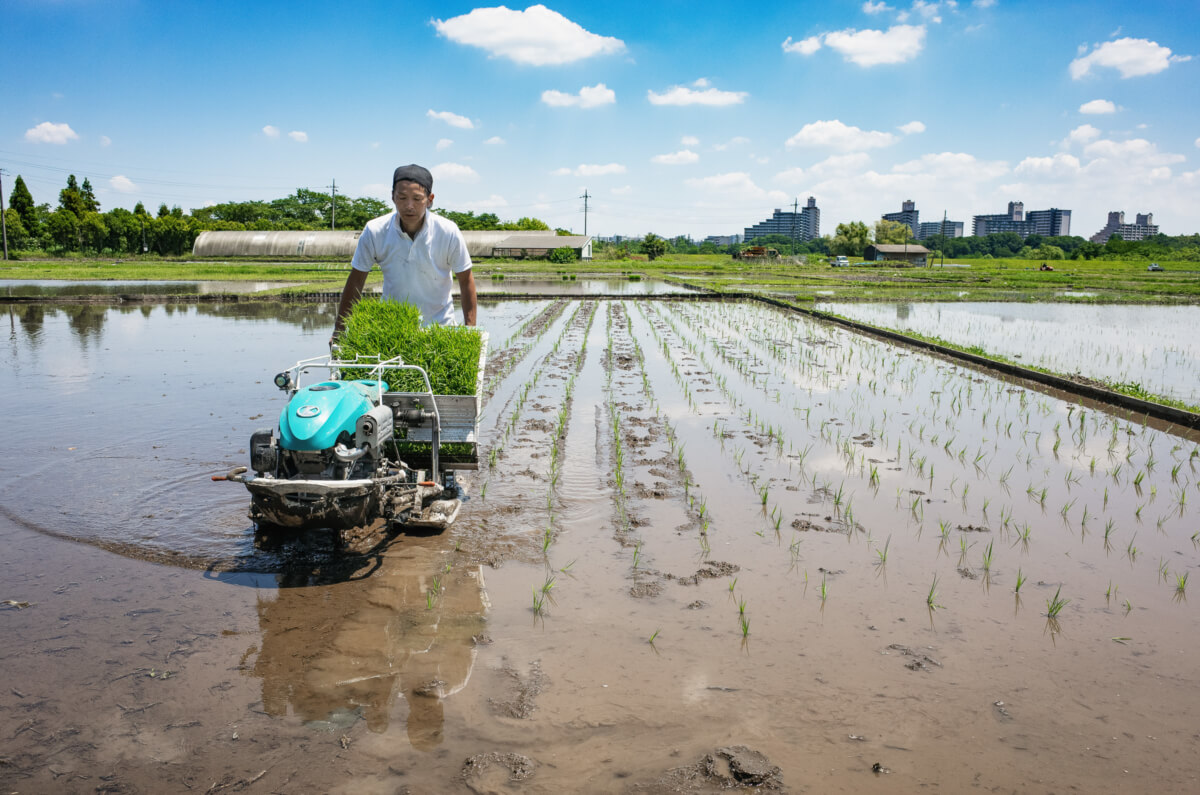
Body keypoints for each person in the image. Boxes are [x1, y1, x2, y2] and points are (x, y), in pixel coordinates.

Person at [331, 164, 477, 344]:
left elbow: (465, 278)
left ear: (430, 199)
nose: (409, 206)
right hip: (392, 329)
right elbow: (356, 280)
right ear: (392, 197)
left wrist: (471, 330)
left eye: (417, 199)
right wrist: (339, 330)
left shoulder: (448, 231)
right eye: (402, 198)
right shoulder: (375, 230)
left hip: (440, 328)